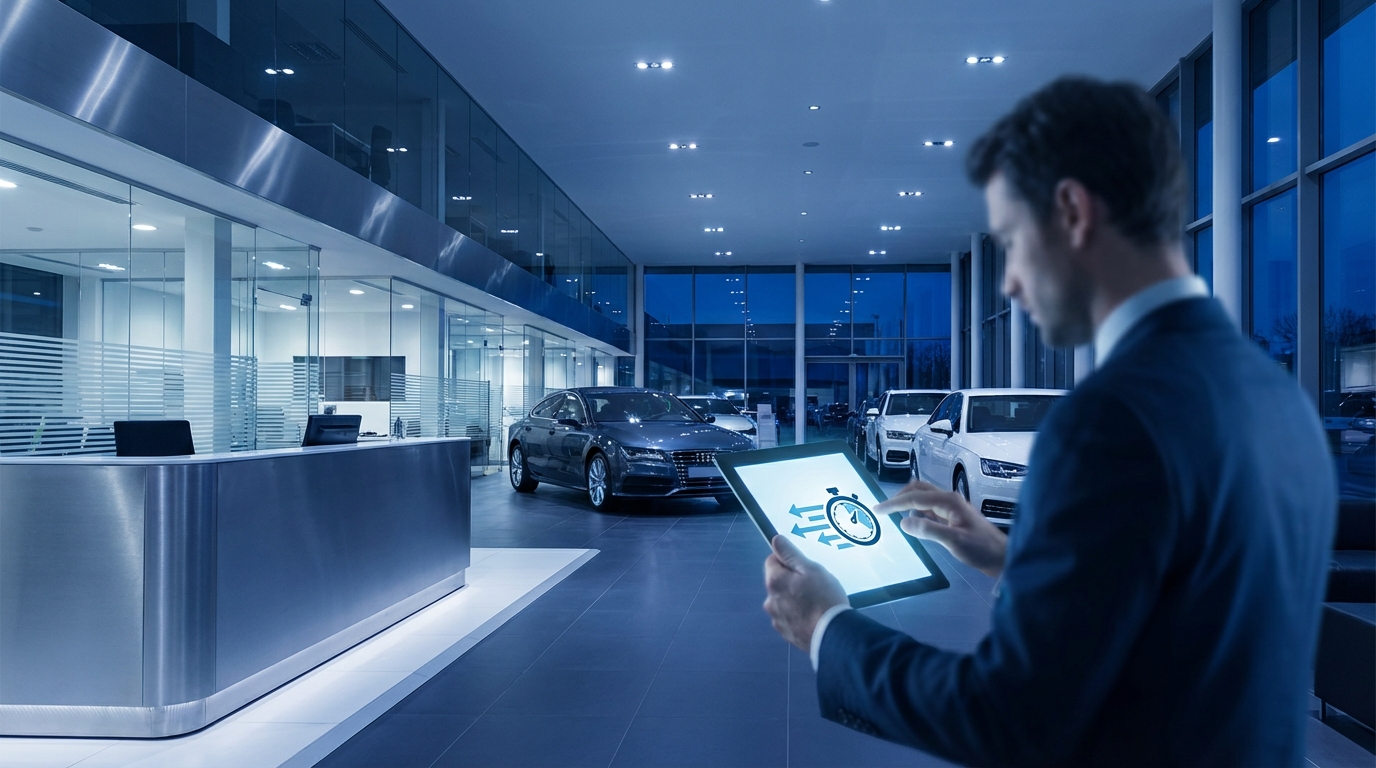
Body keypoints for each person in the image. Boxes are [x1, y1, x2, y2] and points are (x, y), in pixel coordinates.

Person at [763, 76, 1337, 767]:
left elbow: (1007, 716)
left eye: (1009, 239)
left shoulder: (1108, 418)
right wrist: (1013, 557)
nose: (1006, 283)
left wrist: (828, 626)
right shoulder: (1273, 396)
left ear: (1071, 210)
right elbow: (1195, 609)